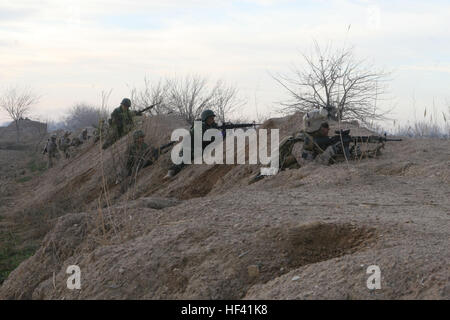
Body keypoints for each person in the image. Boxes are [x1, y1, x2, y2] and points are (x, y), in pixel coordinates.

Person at [164, 109, 218, 179]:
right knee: (182, 160)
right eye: (211, 118)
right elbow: (205, 138)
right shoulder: (200, 126)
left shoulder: (209, 125)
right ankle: (170, 173)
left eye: (213, 118)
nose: (212, 120)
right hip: (189, 148)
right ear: (205, 118)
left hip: (197, 147)